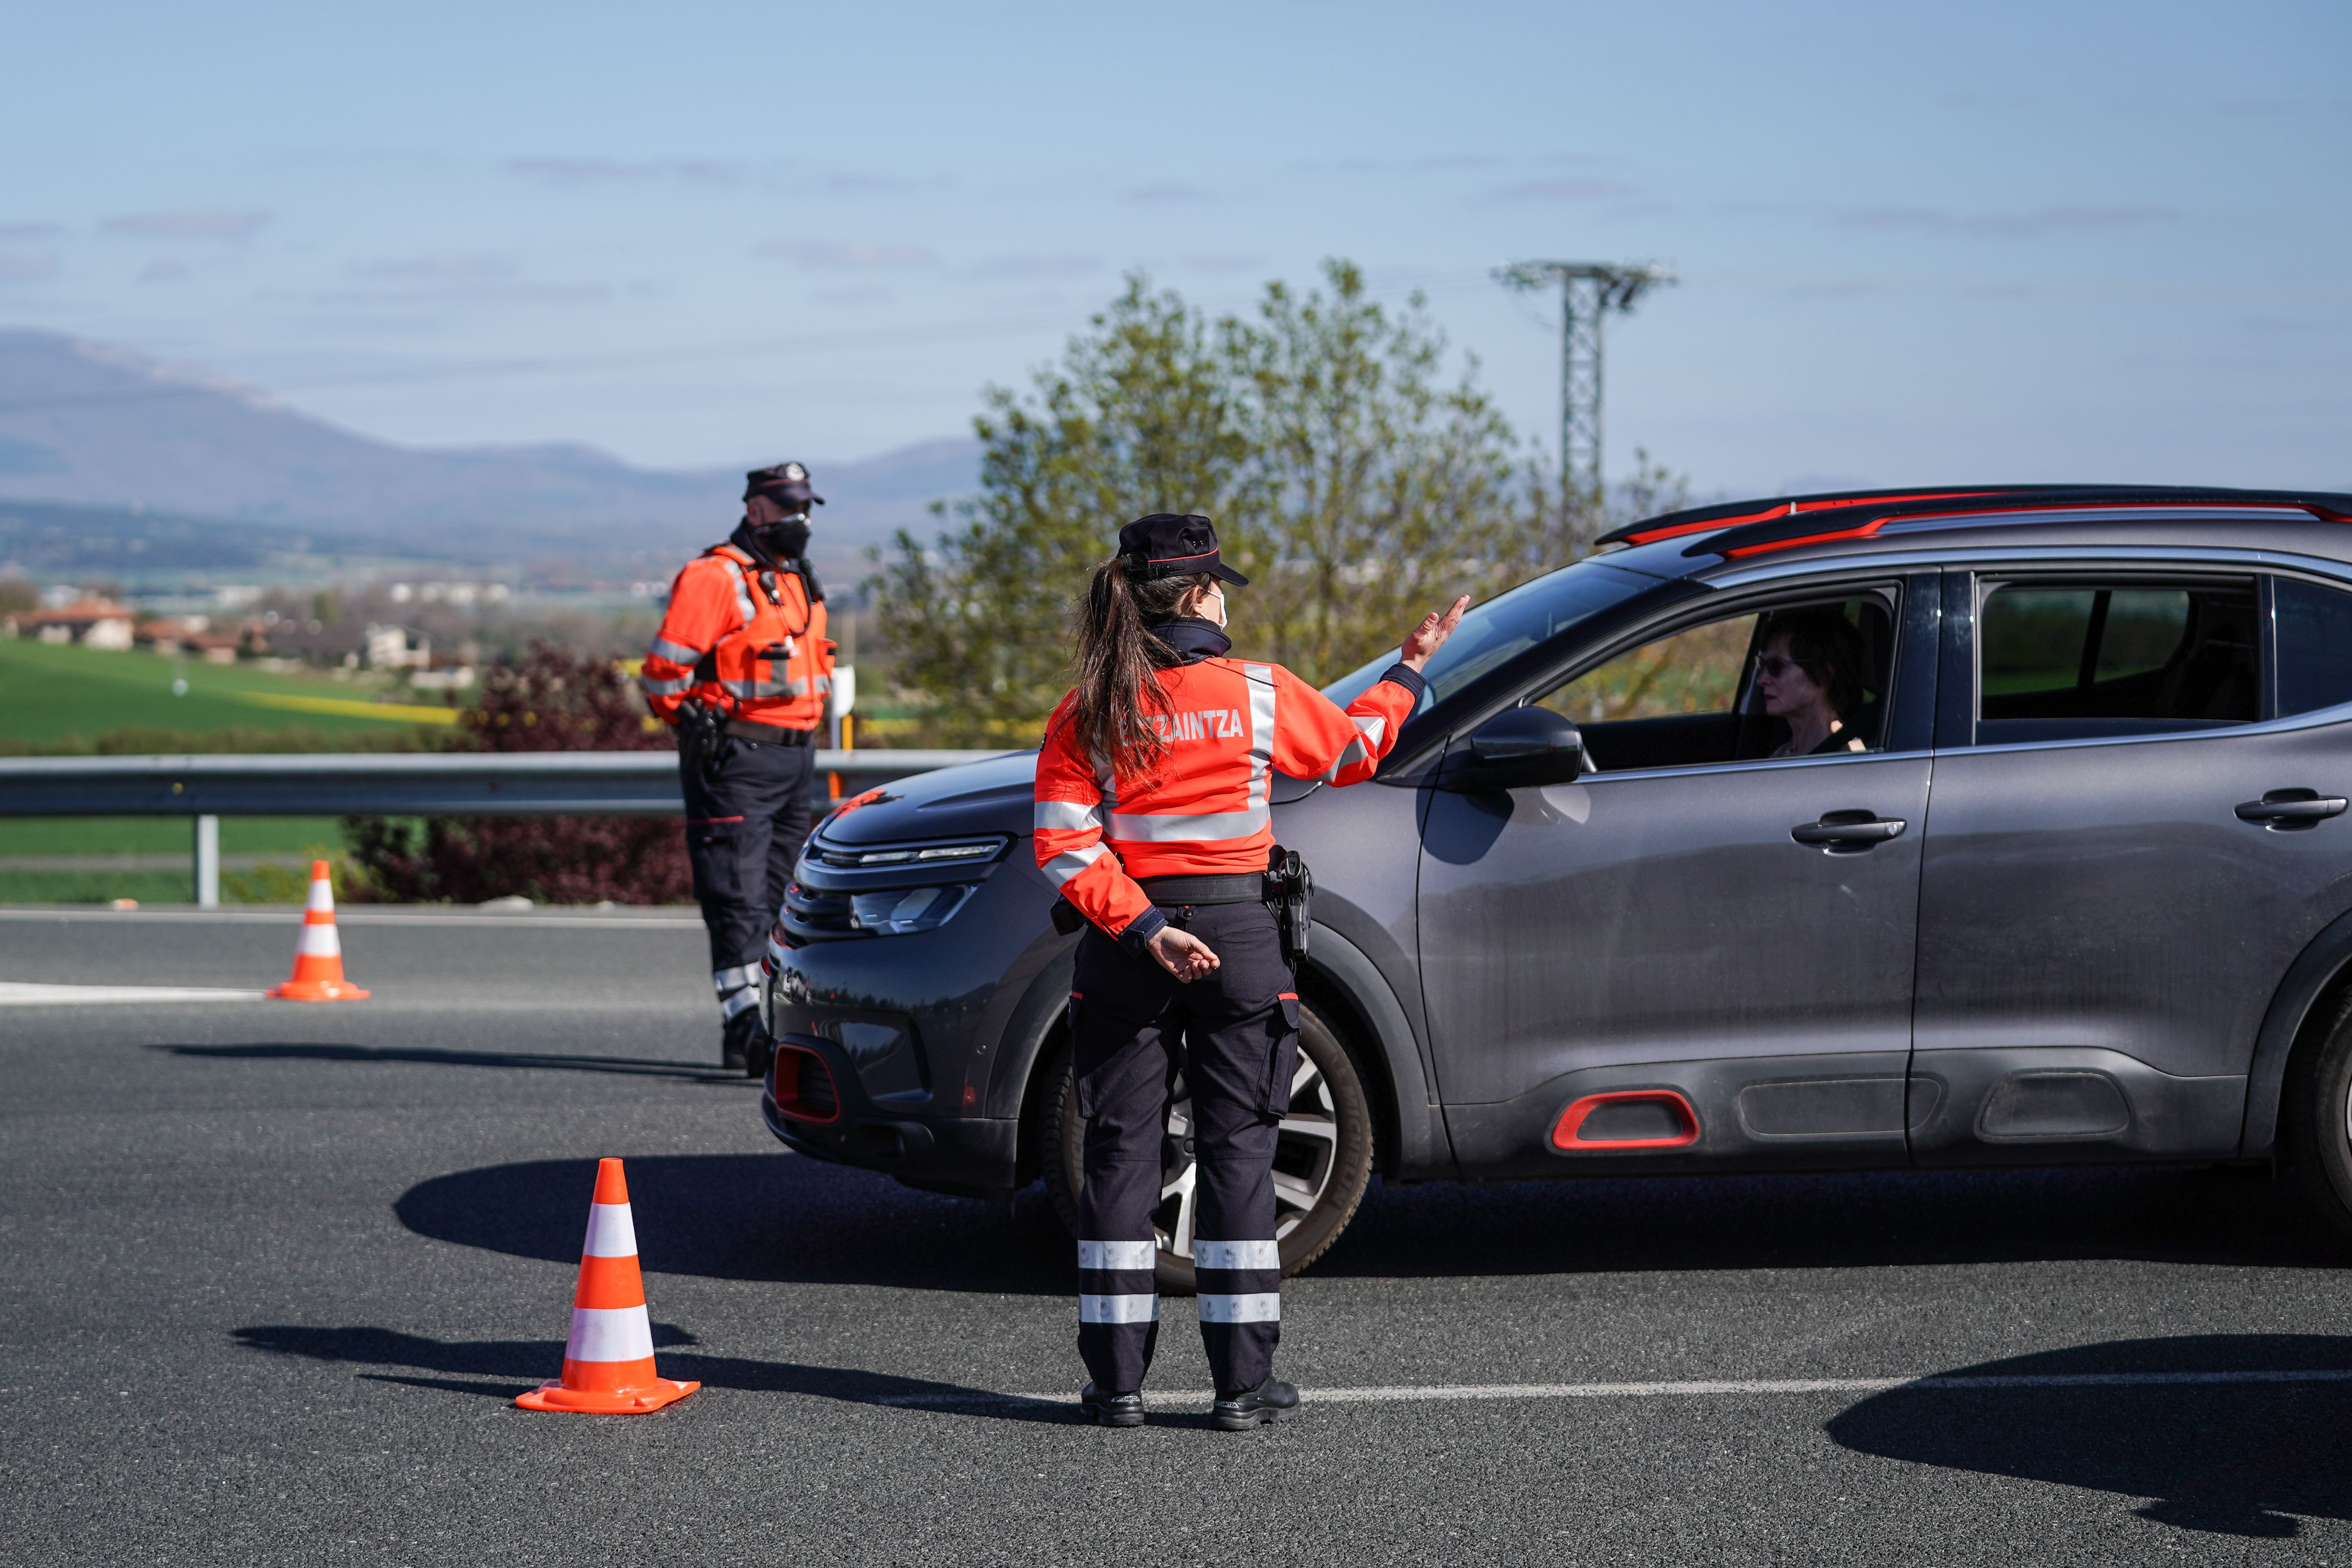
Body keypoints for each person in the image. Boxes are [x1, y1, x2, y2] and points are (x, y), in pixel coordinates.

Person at [1033, 512, 1465, 1430]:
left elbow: (1064, 850)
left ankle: (1116, 1386)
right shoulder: (1260, 691)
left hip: (1125, 949)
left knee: (1118, 1154)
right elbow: (1355, 751)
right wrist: (1409, 667)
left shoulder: (1089, 707)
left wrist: (1148, 930)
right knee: (1240, 1150)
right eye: (1219, 582)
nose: (1225, 595)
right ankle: (1240, 1386)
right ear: (1197, 595)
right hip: (1238, 939)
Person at [640, 462, 835, 1075]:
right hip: (737, 759)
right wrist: (696, 717)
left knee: (783, 897)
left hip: (793, 756)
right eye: (787, 508)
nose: (799, 520)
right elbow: (663, 674)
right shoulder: (715, 577)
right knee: (736, 896)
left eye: (806, 507)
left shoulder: (794, 576)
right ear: (755, 511)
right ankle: (743, 1025)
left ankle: (773, 1021)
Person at [1755, 608, 1867, 757]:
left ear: (1823, 674)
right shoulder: (1784, 752)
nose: (1761, 680)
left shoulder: (1848, 760)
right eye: (1762, 665)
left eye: (1777, 666)